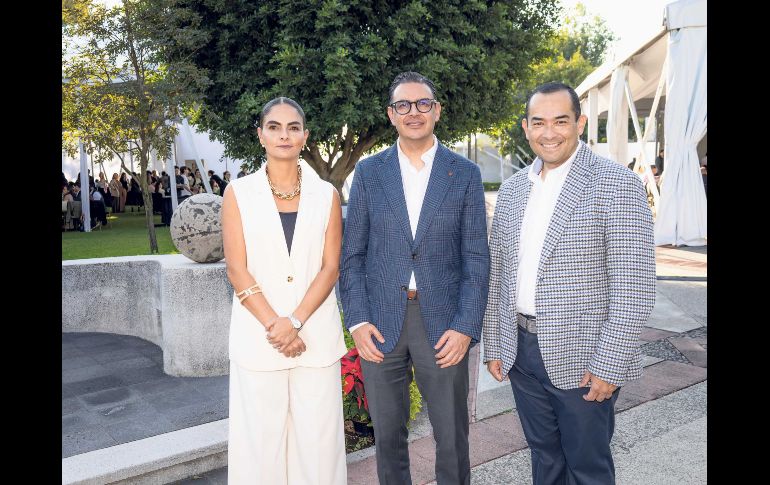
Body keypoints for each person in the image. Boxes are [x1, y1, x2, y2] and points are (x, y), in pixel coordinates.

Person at [483, 82, 656, 485]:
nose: (549, 132)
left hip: (585, 356)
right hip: (521, 352)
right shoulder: (511, 191)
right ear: (525, 128)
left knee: (587, 467)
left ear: (579, 123)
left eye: (561, 121)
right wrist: (496, 342)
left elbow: (634, 288)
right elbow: (500, 275)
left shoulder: (617, 184)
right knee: (545, 461)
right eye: (539, 122)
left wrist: (609, 364)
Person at [339, 71, 490, 484]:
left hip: (442, 324)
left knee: (452, 435)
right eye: (403, 105)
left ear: (436, 110)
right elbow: (351, 257)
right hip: (380, 324)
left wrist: (465, 327)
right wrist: (357, 320)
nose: (414, 112)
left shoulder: (464, 174)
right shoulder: (369, 174)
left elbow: (476, 258)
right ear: (391, 114)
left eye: (423, 103)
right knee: (387, 435)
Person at [221, 96, 347, 484]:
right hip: (260, 339)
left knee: (319, 448)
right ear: (260, 135)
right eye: (274, 127)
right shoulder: (238, 193)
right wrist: (276, 325)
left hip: (315, 337)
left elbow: (330, 267)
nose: (284, 135)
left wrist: (294, 321)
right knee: (260, 448)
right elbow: (237, 269)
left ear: (305, 136)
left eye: (293, 127)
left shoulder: (327, 195)